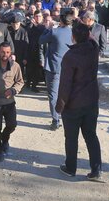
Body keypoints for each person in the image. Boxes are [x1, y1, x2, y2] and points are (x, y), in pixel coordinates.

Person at [56, 23, 102, 180]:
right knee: (91, 135)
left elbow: (65, 84)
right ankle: (96, 169)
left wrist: (60, 104)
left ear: (73, 37)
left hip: (73, 104)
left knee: (71, 137)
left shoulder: (70, 57)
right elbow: (93, 41)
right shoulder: (93, 50)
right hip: (91, 101)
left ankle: (70, 168)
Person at [39, 9, 74, 130]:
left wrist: (48, 28)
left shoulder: (54, 31)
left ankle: (56, 119)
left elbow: (41, 40)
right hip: (69, 68)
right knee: (67, 93)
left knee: (53, 95)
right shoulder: (74, 32)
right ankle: (67, 117)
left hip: (53, 67)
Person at [26, 10, 46, 92]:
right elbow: (27, 32)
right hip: (30, 49)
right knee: (29, 68)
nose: (38, 18)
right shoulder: (30, 26)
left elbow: (42, 34)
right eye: (36, 16)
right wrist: (31, 24)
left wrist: (36, 25)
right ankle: (28, 83)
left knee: (37, 69)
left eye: (39, 16)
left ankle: (34, 85)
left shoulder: (43, 27)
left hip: (40, 50)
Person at [8, 13, 29, 77]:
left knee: (19, 71)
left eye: (17, 24)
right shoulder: (8, 30)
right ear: (11, 24)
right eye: (13, 24)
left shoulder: (23, 31)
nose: (15, 26)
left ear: (19, 23)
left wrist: (25, 57)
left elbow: (26, 45)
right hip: (10, 54)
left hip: (20, 55)